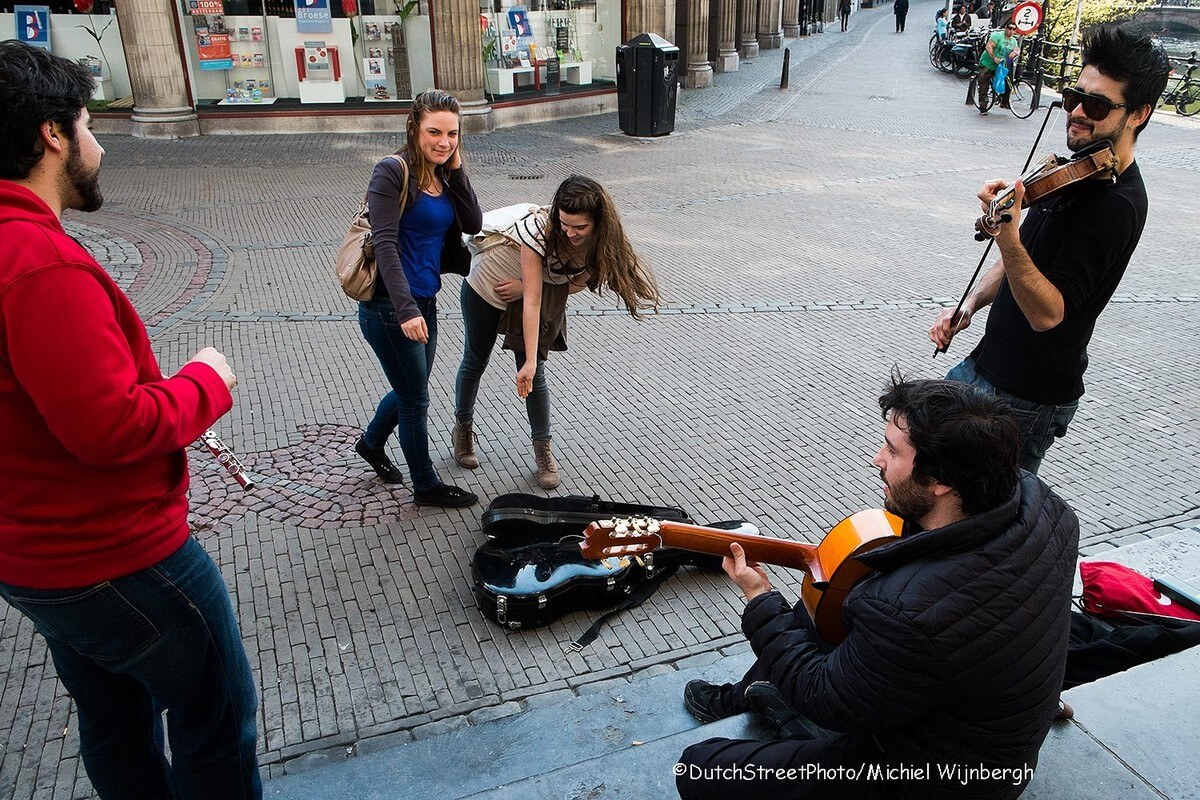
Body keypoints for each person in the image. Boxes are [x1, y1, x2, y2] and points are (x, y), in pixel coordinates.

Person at [0, 41, 261, 799]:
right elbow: (110, 427)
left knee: (114, 721)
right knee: (217, 719)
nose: (98, 142)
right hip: (117, 558)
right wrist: (205, 382)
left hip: (40, 561)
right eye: (86, 121)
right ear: (53, 134)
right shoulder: (40, 263)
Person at [676, 376, 1079, 800]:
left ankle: (792, 723)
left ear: (941, 480)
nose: (877, 459)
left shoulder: (908, 612)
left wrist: (758, 599)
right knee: (821, 605)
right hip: (998, 737)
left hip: (936, 775)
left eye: (893, 450)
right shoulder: (1047, 509)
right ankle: (749, 698)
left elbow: (823, 693)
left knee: (700, 769)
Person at [932, 26, 1170, 473]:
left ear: (1137, 114)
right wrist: (970, 303)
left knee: (980, 521)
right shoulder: (1078, 172)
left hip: (1026, 398)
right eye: (1072, 96)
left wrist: (1006, 236)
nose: (1076, 112)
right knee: (919, 456)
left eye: (1096, 105)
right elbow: (1025, 257)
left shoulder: (1116, 205)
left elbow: (1048, 312)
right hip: (988, 363)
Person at [452, 176, 660, 489]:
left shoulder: (604, 243)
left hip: (523, 290)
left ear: (597, 222)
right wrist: (527, 297)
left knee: (535, 376)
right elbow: (534, 304)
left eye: (579, 227)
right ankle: (463, 427)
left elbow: (572, 284)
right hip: (486, 285)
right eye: (564, 224)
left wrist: (531, 360)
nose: (570, 233)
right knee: (475, 360)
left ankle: (542, 450)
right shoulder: (540, 231)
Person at [354, 89, 484, 508]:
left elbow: (472, 222)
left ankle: (372, 443)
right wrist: (407, 309)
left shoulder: (442, 172)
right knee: (416, 400)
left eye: (452, 134)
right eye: (434, 132)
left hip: (425, 299)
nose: (443, 142)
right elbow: (386, 245)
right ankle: (425, 485)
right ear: (414, 129)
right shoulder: (390, 173)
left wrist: (457, 167)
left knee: (412, 387)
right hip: (391, 308)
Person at [971, 21, 1020, 114]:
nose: (1011, 31)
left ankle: (1004, 101)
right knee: (984, 84)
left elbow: (1017, 49)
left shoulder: (1013, 41)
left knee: (1007, 81)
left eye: (1014, 29)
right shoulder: (997, 36)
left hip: (1000, 66)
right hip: (988, 63)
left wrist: (1015, 52)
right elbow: (989, 46)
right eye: (1010, 28)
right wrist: (994, 58)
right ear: (1005, 28)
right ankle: (983, 106)